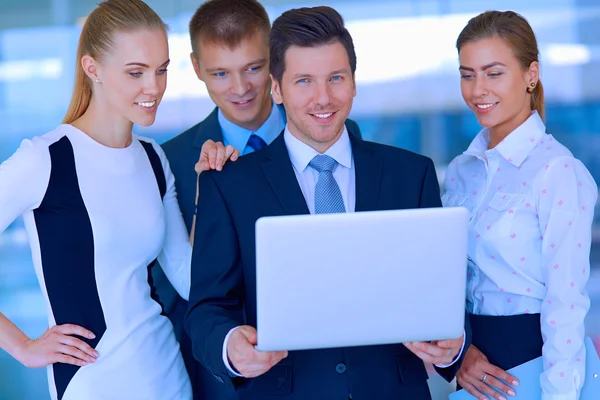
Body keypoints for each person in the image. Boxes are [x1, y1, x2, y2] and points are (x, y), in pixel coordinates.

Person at [185, 6, 467, 399]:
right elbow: (207, 307)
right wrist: (229, 343)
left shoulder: (411, 175)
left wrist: (451, 343)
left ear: (353, 82)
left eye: (336, 78)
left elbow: (442, 293)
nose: (323, 97)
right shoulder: (229, 186)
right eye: (304, 81)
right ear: (277, 89)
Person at [158, 1, 361, 398]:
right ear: (197, 69)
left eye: (253, 68)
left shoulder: (339, 129)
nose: (240, 88)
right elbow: (182, 297)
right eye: (220, 73)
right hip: (236, 383)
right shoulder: (172, 162)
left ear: (275, 62)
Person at [0, 1, 193, 399]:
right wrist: (22, 346)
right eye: (136, 72)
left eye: (162, 70)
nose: (154, 87)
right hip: (92, 385)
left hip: (169, 377)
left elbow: (187, 273)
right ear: (93, 69)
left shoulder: (153, 158)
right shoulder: (44, 160)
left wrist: (215, 184)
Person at [443, 10, 597, 400]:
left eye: (493, 73)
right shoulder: (462, 170)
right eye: (467, 74)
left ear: (531, 74)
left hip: (532, 362)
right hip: (472, 363)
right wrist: (458, 355)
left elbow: (565, 303)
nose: (478, 90)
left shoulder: (558, 171)